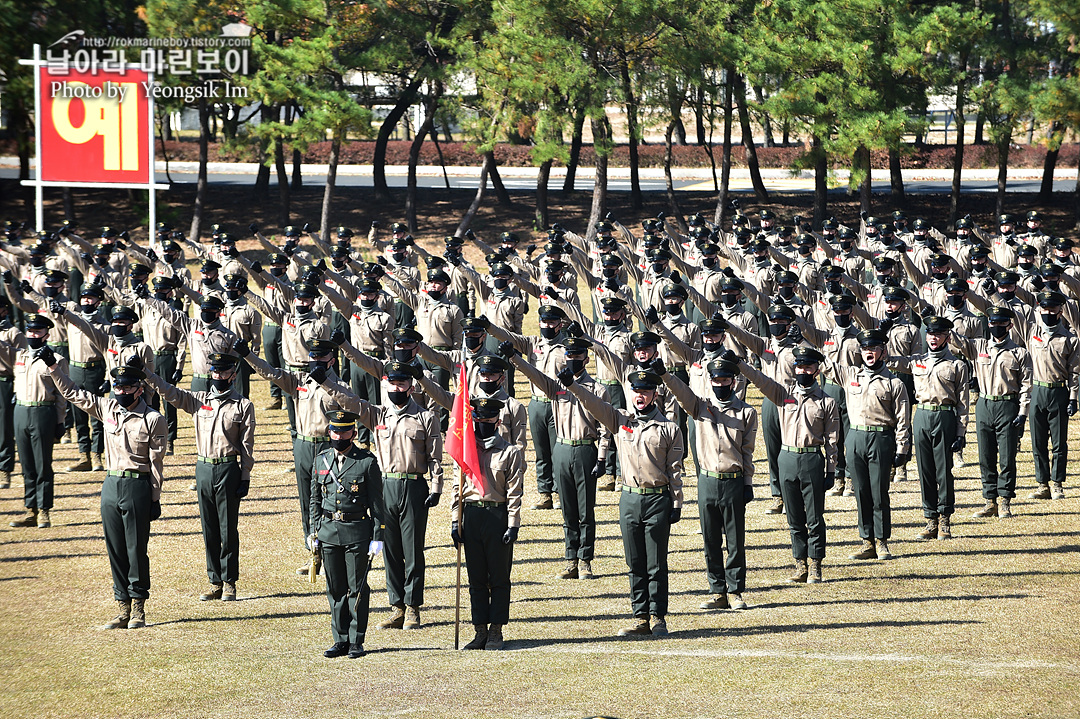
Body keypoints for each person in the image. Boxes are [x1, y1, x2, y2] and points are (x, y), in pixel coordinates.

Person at [310, 359, 443, 632]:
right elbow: (350, 402)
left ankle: (413, 607)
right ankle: (397, 607)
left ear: (410, 386)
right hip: (384, 487)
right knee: (389, 550)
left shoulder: (426, 418)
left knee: (413, 550)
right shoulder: (378, 415)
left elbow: (436, 458)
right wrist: (326, 382)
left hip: (413, 486)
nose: (396, 387)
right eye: (392, 383)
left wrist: (437, 487)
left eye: (401, 383)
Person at [39, 351, 166, 629]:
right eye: (117, 387)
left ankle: (138, 608)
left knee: (136, 549)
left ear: (139, 389)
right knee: (115, 549)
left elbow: (156, 463)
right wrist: (53, 367)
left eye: (127, 387)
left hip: (137, 484)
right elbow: (73, 393)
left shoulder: (153, 418)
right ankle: (122, 606)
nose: (121, 391)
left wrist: (155, 497)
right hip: (111, 484)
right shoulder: (108, 408)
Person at [563, 368, 683, 637]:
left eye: (645, 391)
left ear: (654, 394)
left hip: (657, 500)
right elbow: (594, 404)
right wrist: (572, 385)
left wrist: (676, 503)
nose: (639, 396)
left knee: (656, 563)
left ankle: (658, 617)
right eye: (636, 391)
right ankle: (640, 616)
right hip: (629, 499)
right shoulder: (620, 420)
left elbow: (675, 470)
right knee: (635, 561)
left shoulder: (669, 428)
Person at [139, 352, 256, 600]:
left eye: (223, 372)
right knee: (209, 528)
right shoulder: (198, 400)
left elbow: (247, 445)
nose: (218, 376)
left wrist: (245, 476)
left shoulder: (243, 406)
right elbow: (169, 392)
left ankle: (230, 581)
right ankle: (215, 581)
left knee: (227, 529)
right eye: (215, 371)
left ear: (233, 375)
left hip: (228, 468)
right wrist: (146, 374)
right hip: (203, 468)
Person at [736, 346, 839, 583]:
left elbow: (832, 440)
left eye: (808, 367)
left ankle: (815, 563)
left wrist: (831, 470)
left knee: (814, 517)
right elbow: (760, 380)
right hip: (787, 458)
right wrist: (740, 365)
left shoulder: (826, 401)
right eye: (800, 366)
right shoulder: (783, 394)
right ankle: (800, 563)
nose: (803, 371)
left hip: (812, 458)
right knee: (793, 517)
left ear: (816, 370)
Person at [661, 357, 757, 610]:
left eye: (725, 380)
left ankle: (735, 590)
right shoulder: (700, 407)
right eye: (716, 380)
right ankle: (717, 591)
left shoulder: (747, 412)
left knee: (735, 541)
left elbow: (747, 451)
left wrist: (748, 483)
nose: (721, 384)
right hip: (707, 482)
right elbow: (681, 393)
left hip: (733, 481)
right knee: (710, 539)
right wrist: (664, 375)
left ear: (733, 382)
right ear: (710, 381)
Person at [505, 337, 602, 579]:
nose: (572, 361)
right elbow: (535, 375)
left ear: (586, 360)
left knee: (585, 510)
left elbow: (605, 428)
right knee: (568, 509)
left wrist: (602, 458)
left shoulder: (598, 389)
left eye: (577, 357)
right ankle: (571, 559)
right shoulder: (557, 386)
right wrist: (514, 358)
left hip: (585, 449)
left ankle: (586, 559)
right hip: (561, 448)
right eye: (569, 357)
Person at [309, 410, 385, 659]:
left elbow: (377, 504)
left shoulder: (366, 462)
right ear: (328, 431)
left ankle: (355, 640)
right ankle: (339, 639)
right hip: (329, 532)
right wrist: (313, 530)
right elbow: (314, 499)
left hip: (357, 532)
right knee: (335, 588)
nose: (338, 435)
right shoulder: (321, 460)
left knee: (357, 588)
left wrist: (378, 536)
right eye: (334, 430)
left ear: (353, 433)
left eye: (343, 431)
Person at [829, 329, 911, 561]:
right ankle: (867, 541)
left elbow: (904, 419)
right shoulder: (850, 375)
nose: (869, 353)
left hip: (881, 438)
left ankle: (882, 541)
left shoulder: (894, 383)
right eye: (865, 349)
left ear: (883, 352)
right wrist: (800, 341)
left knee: (878, 492)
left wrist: (902, 448)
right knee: (861, 491)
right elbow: (824, 365)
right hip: (855, 438)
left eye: (874, 348)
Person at [452, 397, 525, 651]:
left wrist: (513, 524)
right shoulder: (465, 450)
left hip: (497, 516)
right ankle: (479, 630)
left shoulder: (510, 452)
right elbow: (457, 487)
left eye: (486, 420)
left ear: (497, 420)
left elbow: (515, 492)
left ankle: (496, 629)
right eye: (477, 419)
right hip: (472, 516)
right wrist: (455, 521)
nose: (481, 423)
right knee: (476, 579)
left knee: (499, 577)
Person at [887, 316, 970, 540]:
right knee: (925, 471)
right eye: (930, 334)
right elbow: (886, 359)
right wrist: (884, 334)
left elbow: (963, 403)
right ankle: (930, 519)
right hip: (922, 416)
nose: (934, 338)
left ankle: (945, 520)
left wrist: (961, 433)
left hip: (944, 417)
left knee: (943, 472)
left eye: (939, 334)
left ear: (947, 337)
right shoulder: (916, 361)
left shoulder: (957, 365)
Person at [5, 315, 68, 529]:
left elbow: (62, 395)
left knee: (43, 465)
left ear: (46, 335)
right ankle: (30, 509)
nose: (33, 335)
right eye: (30, 331)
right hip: (21, 411)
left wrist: (60, 421)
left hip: (43, 412)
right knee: (26, 465)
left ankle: (44, 511)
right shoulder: (20, 356)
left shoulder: (56, 360)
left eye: (38, 331)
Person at [1023, 291, 1080, 501]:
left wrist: (1073, 398)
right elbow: (1010, 310)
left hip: (1059, 391)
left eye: (1052, 309)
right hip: (1036, 390)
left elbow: (1075, 371)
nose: (1048, 312)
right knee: (1038, 441)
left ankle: (1057, 484)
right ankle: (1042, 484)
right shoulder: (1031, 331)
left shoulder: (1070, 339)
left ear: (1060, 311)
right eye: (1044, 309)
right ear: (1039, 310)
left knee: (1058, 442)